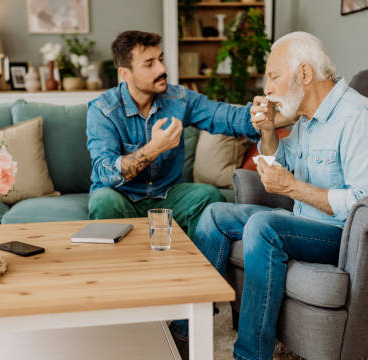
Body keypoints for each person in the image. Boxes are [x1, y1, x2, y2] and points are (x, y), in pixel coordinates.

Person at [171, 31, 368, 360]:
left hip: (344, 237)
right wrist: (267, 132)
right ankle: (185, 332)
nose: (267, 87)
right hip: (304, 225)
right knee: (214, 214)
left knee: (263, 224)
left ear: (304, 75)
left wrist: (292, 188)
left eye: (273, 76)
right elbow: (281, 162)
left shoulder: (358, 116)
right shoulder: (307, 120)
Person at [87, 30, 265, 239]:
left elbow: (224, 116)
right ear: (125, 74)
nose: (162, 69)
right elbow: (104, 172)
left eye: (161, 60)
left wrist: (267, 114)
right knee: (102, 200)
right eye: (149, 63)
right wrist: (154, 149)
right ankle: (116, 270)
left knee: (208, 196)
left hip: (167, 196)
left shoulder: (178, 98)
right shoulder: (103, 110)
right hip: (122, 196)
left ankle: (202, 269)